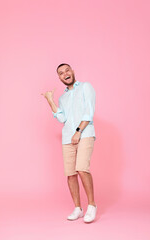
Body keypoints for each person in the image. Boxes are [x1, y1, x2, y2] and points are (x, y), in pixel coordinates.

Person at [42, 63, 97, 223]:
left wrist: (78, 132)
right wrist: (50, 100)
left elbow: (89, 111)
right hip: (67, 138)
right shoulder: (63, 97)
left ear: (72, 71)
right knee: (70, 174)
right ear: (59, 78)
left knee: (81, 168)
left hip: (84, 134)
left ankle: (92, 206)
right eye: (61, 73)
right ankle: (78, 208)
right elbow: (62, 118)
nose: (65, 74)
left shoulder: (86, 87)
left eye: (67, 70)